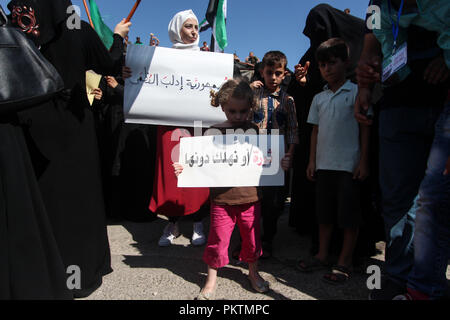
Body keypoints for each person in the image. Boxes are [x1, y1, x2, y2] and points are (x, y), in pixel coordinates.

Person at [7, 0, 130, 298]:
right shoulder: (77, 30)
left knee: (43, 200)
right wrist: (118, 36)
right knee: (80, 199)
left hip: (29, 125)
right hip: (75, 124)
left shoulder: (18, 28)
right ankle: (81, 271)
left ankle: (46, 270)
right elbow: (109, 64)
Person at [355, 0, 450, 299]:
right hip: (398, 100)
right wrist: (364, 84)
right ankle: (400, 279)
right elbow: (371, 41)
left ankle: (427, 283)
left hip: (443, 99)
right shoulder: (377, 4)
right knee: (396, 196)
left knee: (435, 199)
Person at [174, 79, 293, 300]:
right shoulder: (213, 131)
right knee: (217, 239)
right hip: (221, 200)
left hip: (250, 198)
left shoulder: (254, 130)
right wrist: (185, 167)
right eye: (232, 111)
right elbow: (199, 161)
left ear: (250, 108)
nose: (238, 116)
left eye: (243, 111)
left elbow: (265, 160)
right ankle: (211, 279)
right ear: (222, 107)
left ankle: (253, 273)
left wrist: (280, 163)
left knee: (252, 238)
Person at [123, 10, 210, 246]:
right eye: (188, 27)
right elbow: (144, 82)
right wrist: (130, 74)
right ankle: (172, 222)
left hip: (197, 126)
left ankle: (197, 222)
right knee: (172, 173)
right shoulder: (161, 59)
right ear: (176, 30)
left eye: (196, 28)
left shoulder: (207, 59)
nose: (194, 32)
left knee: (197, 171)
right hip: (169, 125)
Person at [297, 38, 370, 284]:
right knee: (324, 215)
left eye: (332, 62)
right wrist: (311, 161)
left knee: (348, 216)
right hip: (323, 165)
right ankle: (322, 254)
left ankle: (345, 260)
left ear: (346, 63)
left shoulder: (357, 92)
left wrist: (363, 161)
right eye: (322, 65)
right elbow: (315, 132)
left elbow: (365, 129)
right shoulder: (319, 98)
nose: (327, 68)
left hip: (349, 166)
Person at [250, 51, 299, 258]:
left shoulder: (288, 100)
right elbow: (238, 114)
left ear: (284, 74)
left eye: (277, 73)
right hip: (253, 155)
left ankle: (268, 240)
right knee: (251, 200)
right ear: (262, 72)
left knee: (273, 203)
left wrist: (289, 155)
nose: (273, 77)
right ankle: (248, 241)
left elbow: (293, 130)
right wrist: (247, 90)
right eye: (269, 73)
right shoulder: (254, 95)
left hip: (277, 159)